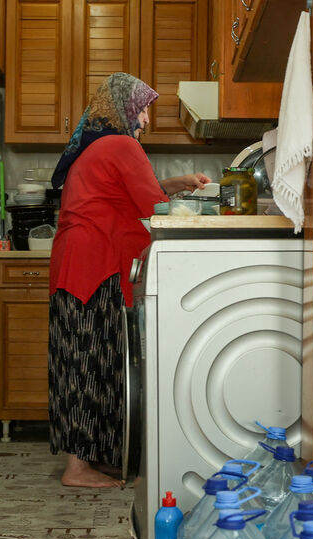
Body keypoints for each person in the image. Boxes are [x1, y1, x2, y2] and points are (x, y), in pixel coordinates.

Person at [47, 73, 210, 488]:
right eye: (145, 108)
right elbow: (152, 205)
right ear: (128, 108)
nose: (148, 119)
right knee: (90, 359)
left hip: (81, 261)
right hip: (95, 263)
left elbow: (138, 193)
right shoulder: (122, 144)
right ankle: (77, 469)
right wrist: (195, 206)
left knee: (89, 357)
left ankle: (88, 458)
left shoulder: (100, 144)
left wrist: (178, 184)